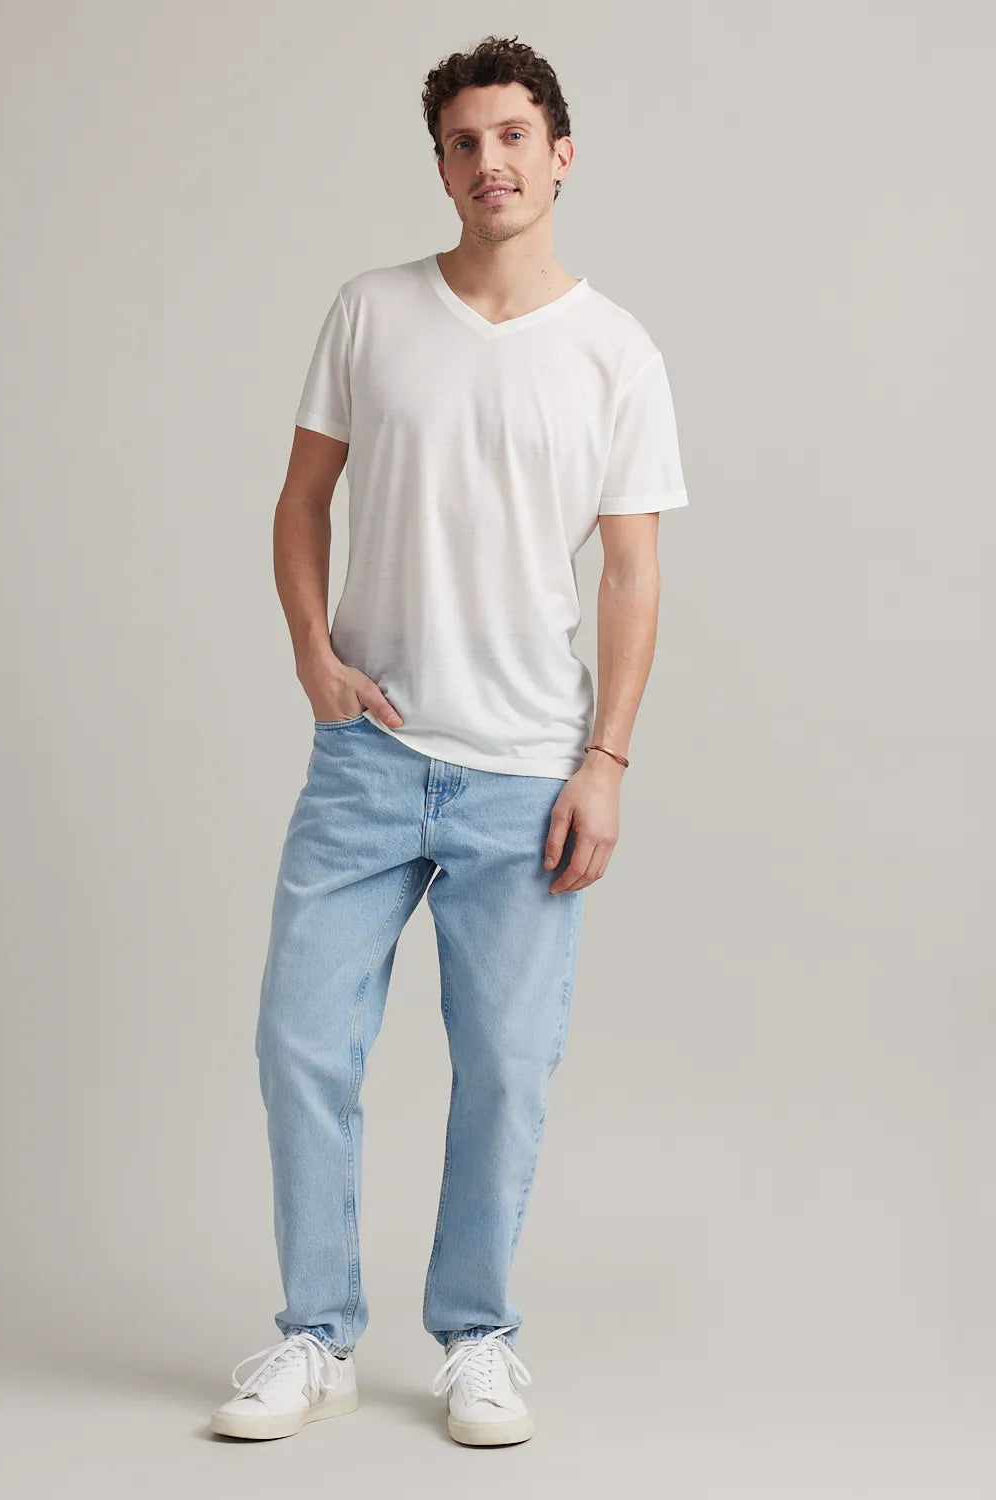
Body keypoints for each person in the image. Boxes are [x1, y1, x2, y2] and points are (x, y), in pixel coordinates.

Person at [211, 33, 689, 1447]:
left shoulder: (616, 351)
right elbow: (301, 503)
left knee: (505, 1065)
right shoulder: (370, 313)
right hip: (368, 756)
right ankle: (314, 1335)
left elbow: (633, 574)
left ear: (561, 154)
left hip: (526, 770)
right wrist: (313, 655)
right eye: (464, 142)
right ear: (442, 165)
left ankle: (478, 1336)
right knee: (300, 1040)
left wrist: (605, 762)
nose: (491, 162)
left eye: (513, 137)